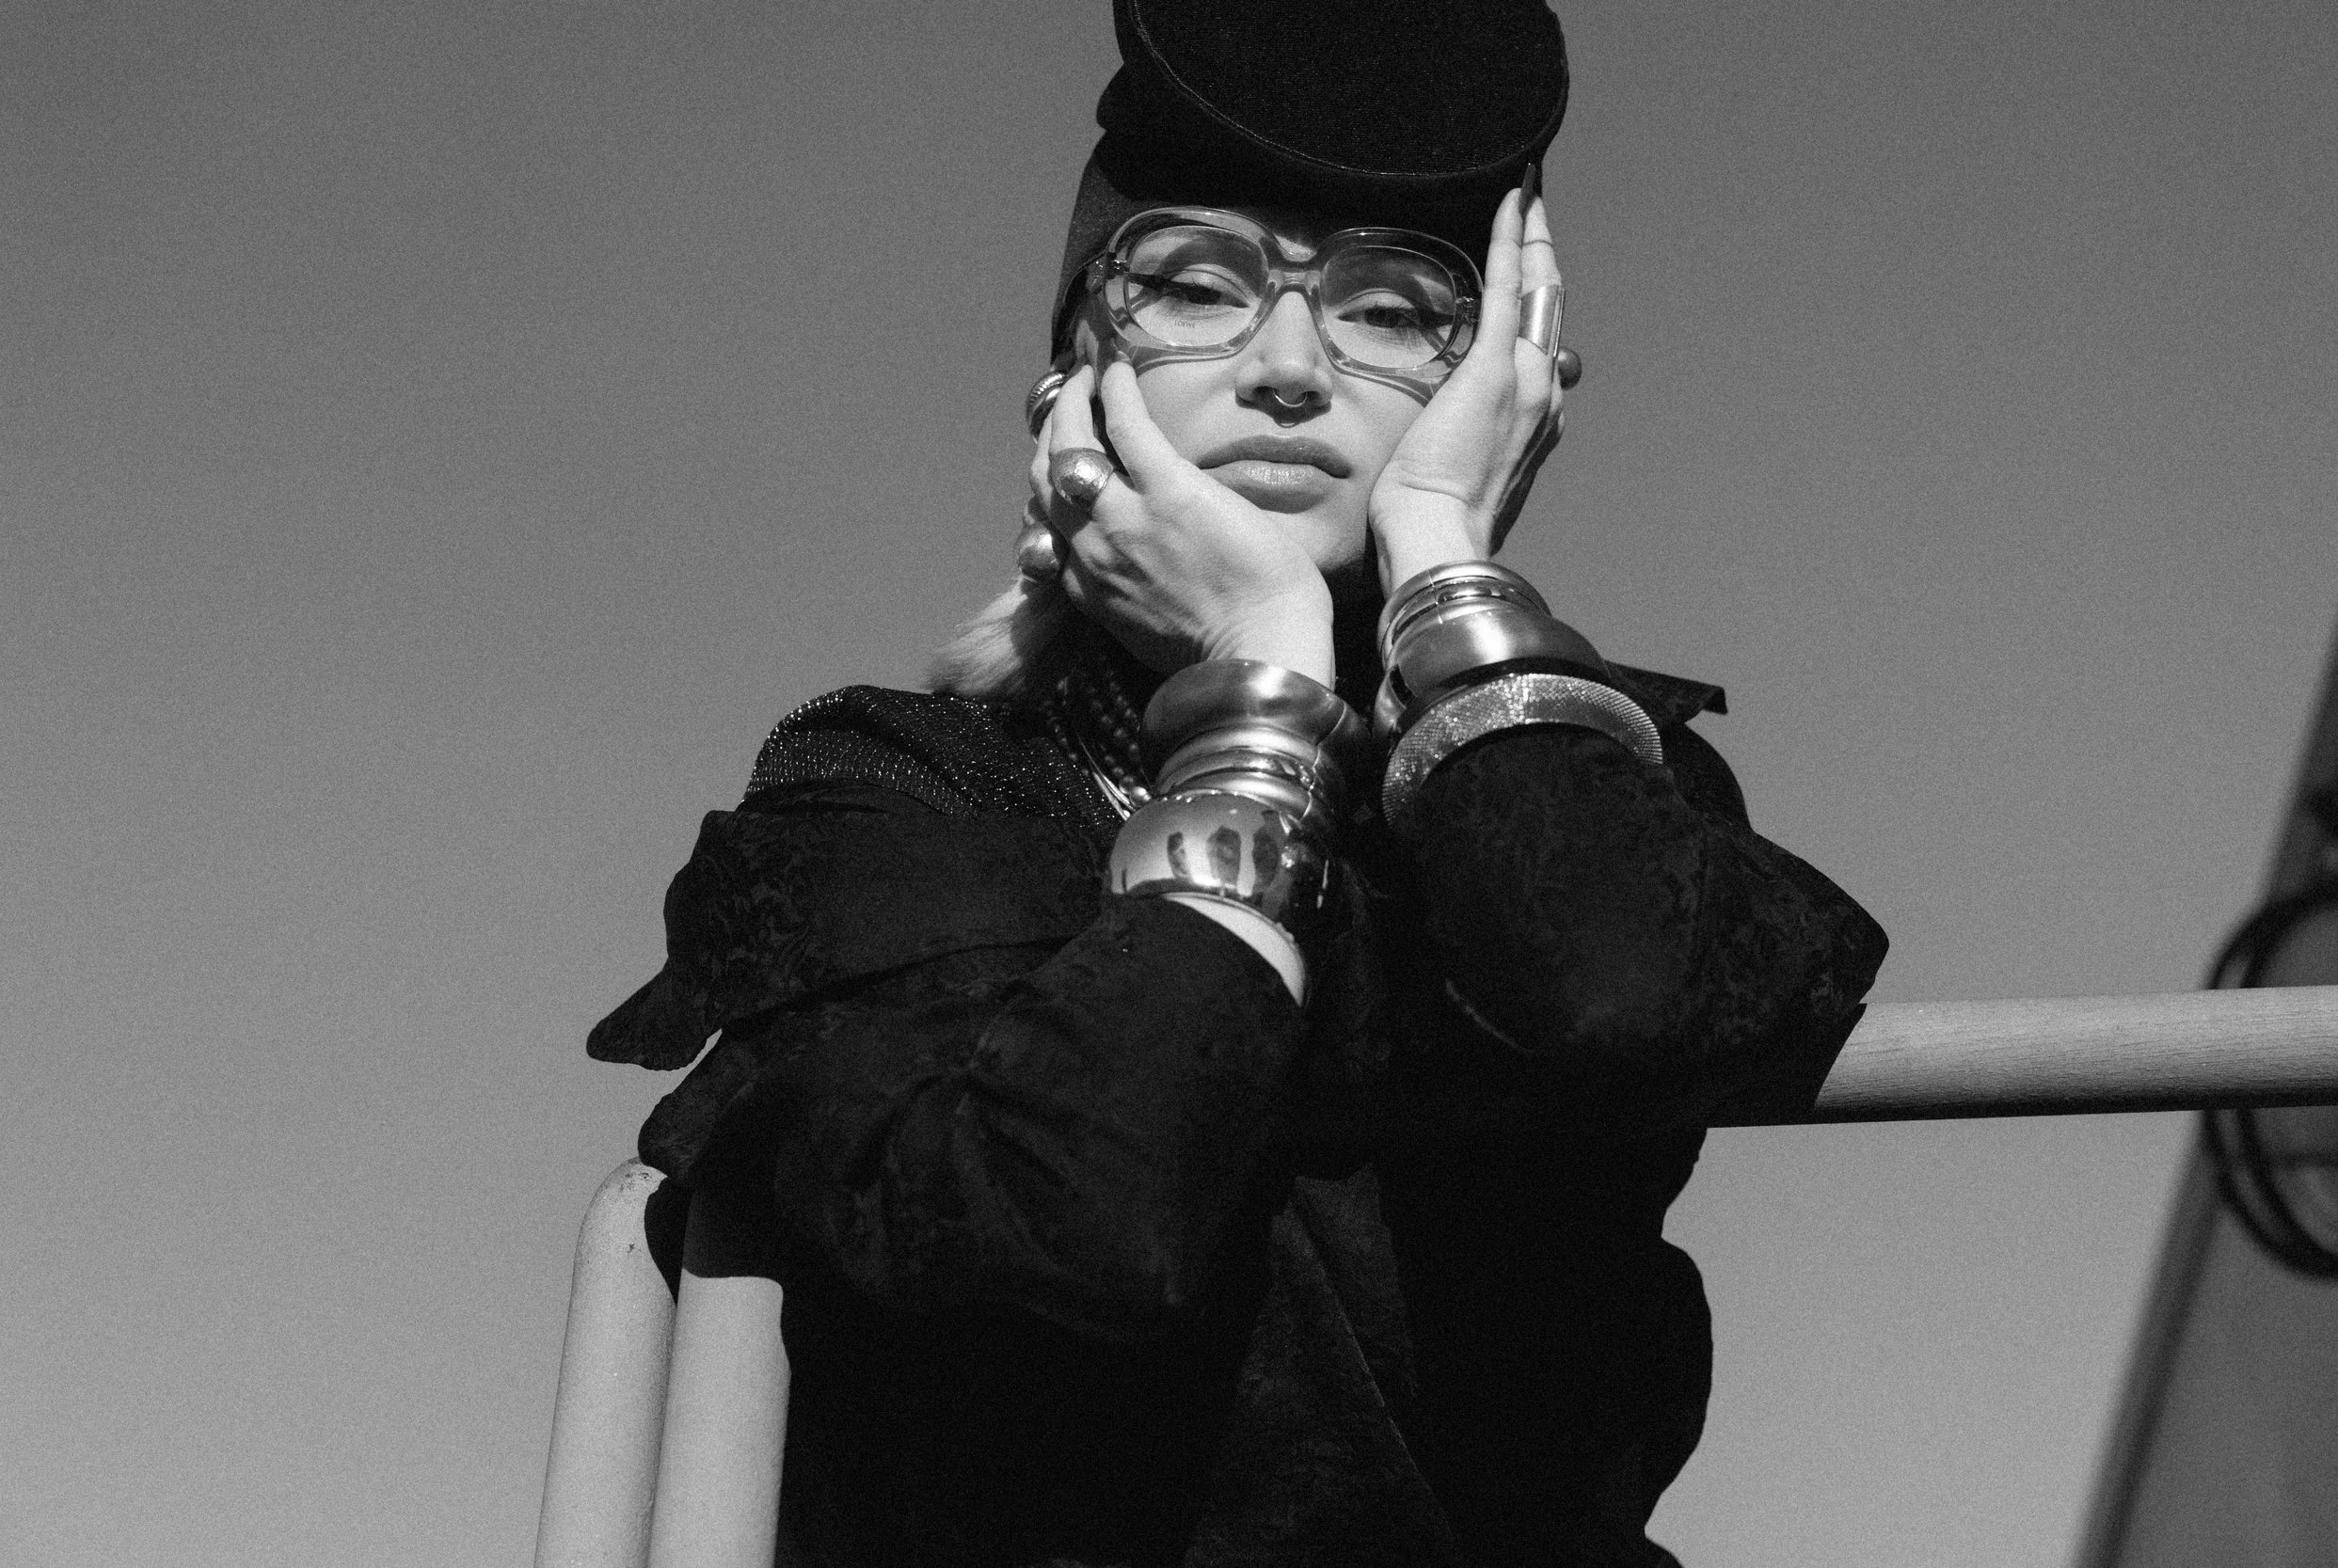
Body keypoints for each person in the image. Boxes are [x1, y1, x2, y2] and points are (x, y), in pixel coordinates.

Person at [588, 3, 1888, 1564]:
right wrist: (1262, 690)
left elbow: (1608, 983)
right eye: (1195, 286)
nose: (1288, 368)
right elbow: (1077, 1223)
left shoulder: (1599, 771)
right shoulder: (898, 786)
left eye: (1392, 311)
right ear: (1078, 369)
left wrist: (1449, 574)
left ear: (1504, 384)